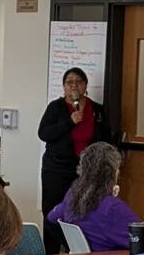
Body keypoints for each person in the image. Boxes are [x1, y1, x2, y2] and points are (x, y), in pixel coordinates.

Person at [38, 67, 107, 231]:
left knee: (83, 213)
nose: (74, 85)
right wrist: (69, 122)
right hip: (57, 170)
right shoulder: (55, 107)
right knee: (53, 213)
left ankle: (77, 245)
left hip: (86, 172)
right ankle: (52, 246)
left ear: (85, 85)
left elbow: (105, 137)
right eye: (69, 82)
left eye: (78, 81)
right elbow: (44, 133)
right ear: (64, 87)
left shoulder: (97, 109)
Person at [48, 141, 142, 253]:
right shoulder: (112, 207)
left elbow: (50, 221)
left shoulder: (72, 195)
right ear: (113, 172)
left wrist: (72, 245)